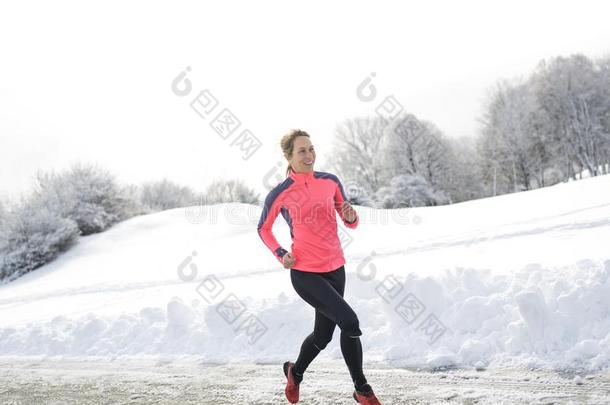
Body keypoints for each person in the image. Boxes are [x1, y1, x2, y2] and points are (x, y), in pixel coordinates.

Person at [257, 129, 382, 404]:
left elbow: (348, 216)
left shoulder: (330, 181)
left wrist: (351, 217)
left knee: (323, 336)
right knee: (350, 322)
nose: (309, 155)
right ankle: (362, 388)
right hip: (304, 272)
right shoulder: (281, 193)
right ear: (289, 156)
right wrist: (280, 253)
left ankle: (295, 372)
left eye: (311, 149)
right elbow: (263, 228)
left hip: (336, 267)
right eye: (301, 150)